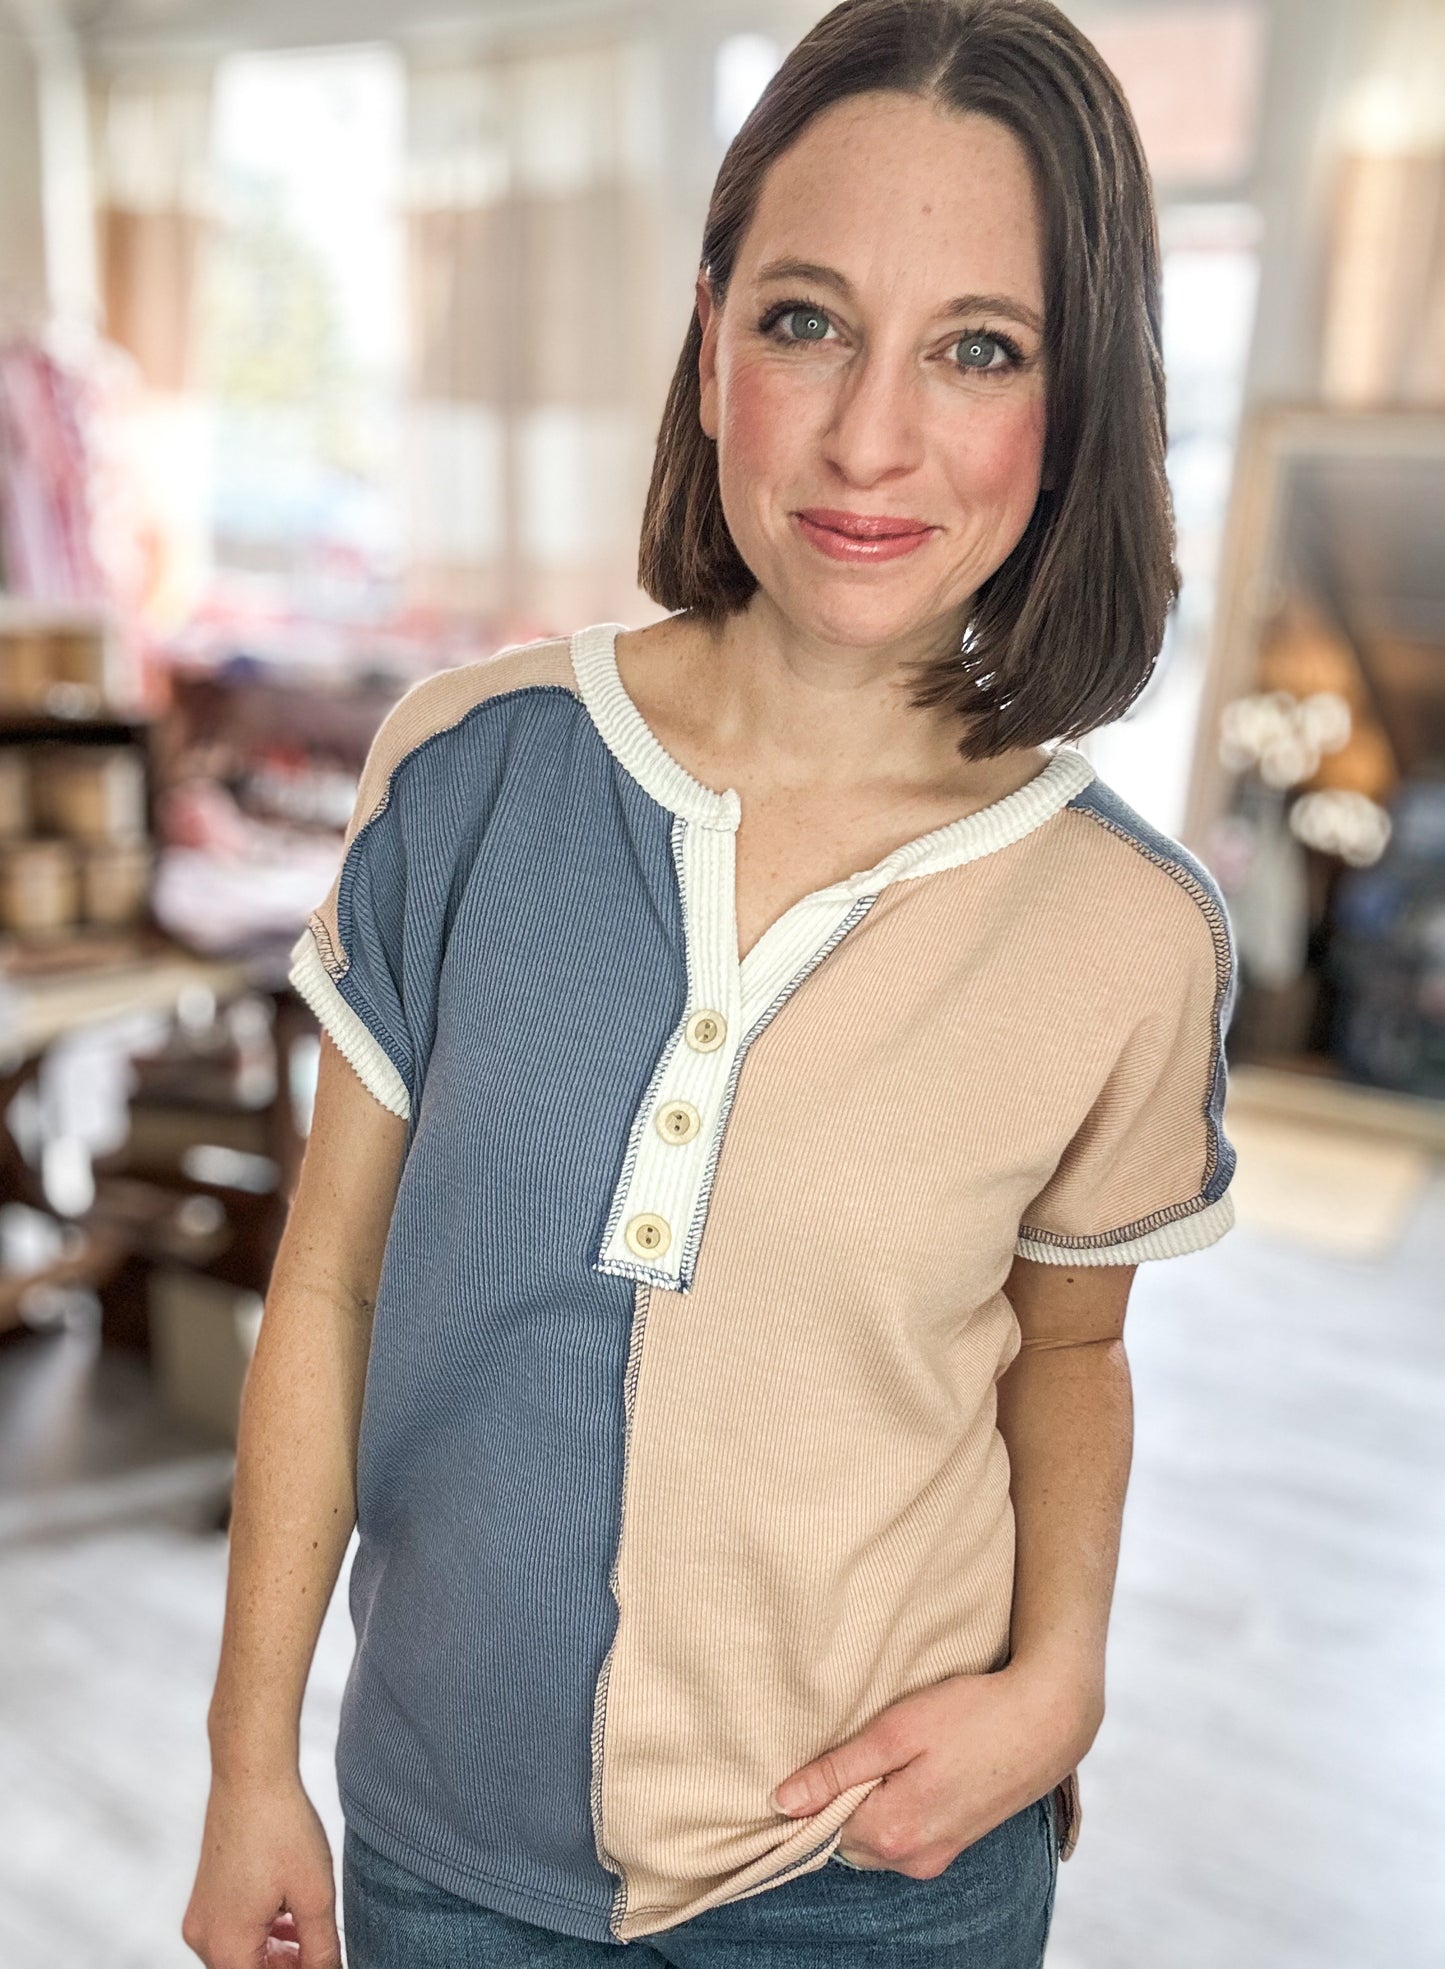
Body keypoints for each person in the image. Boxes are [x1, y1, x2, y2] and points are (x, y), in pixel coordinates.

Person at [182, 0, 1239, 1964]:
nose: (868, 438)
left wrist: (1063, 1681)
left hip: (883, 1882)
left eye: (979, 351)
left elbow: (1071, 1356)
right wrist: (254, 1759)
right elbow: (323, 1283)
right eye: (807, 320)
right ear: (711, 331)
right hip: (439, 1858)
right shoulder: (472, 771)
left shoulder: (1130, 927)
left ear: (1077, 403)